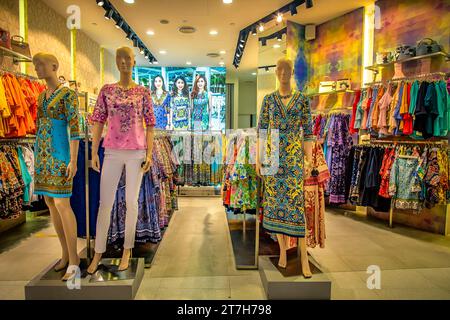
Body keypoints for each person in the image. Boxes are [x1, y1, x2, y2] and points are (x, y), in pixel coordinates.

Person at [87, 46, 155, 274]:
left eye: (128, 58)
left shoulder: (143, 92)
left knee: (131, 202)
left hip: (136, 151)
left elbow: (151, 124)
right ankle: (98, 251)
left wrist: (149, 153)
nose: (124, 62)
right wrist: (93, 151)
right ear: (116, 62)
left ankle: (127, 249)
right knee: (105, 203)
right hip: (112, 150)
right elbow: (97, 121)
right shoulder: (107, 90)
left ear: (134, 61)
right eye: (120, 58)